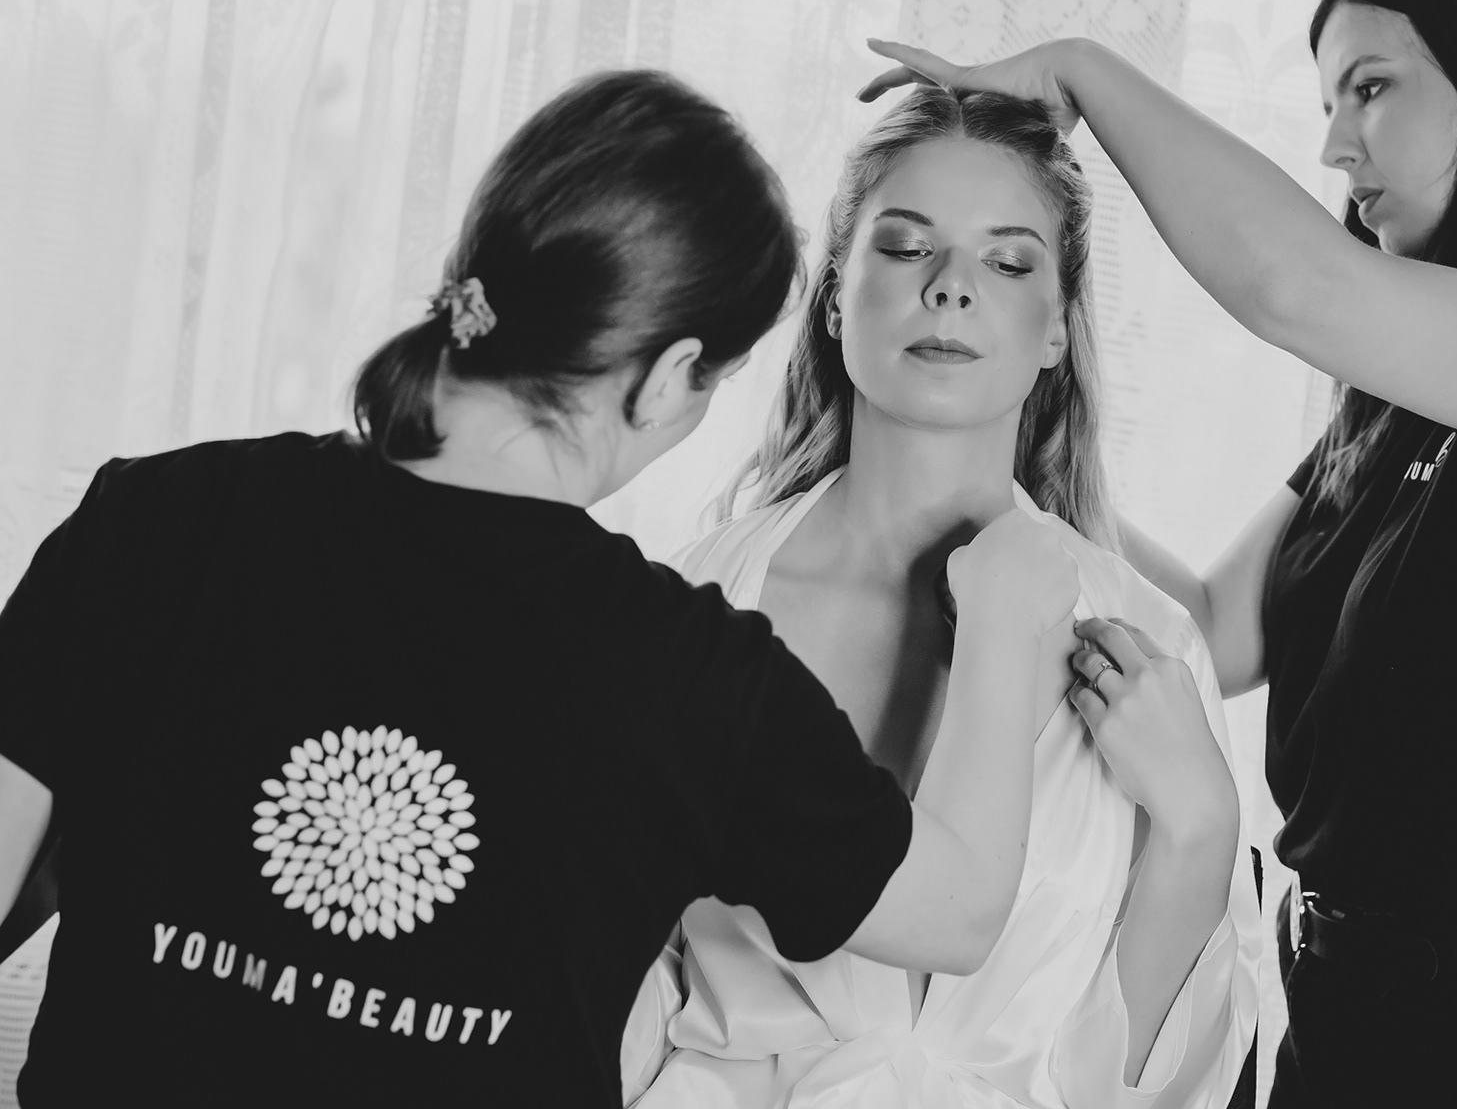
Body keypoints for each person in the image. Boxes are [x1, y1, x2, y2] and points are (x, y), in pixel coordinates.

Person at [0, 70, 1085, 1107]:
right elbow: (956, 913)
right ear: (669, 378)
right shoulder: (691, 673)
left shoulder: (156, 518)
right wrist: (1004, 617)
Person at [859, 0, 1457, 1106]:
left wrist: (1077, 71)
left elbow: (1292, 285)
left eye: (1372, 88)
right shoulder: (1406, 397)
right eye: (1328, 100)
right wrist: (987, 465)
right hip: (1346, 1011)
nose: (1333, 143)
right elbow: (1215, 626)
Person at [620, 88, 1260, 1107]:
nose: (952, 287)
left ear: (1057, 328)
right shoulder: (696, 605)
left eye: (1007, 263)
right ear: (835, 298)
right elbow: (604, 992)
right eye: (908, 247)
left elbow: (1147, 1090)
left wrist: (1201, 825)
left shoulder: (1151, 643)